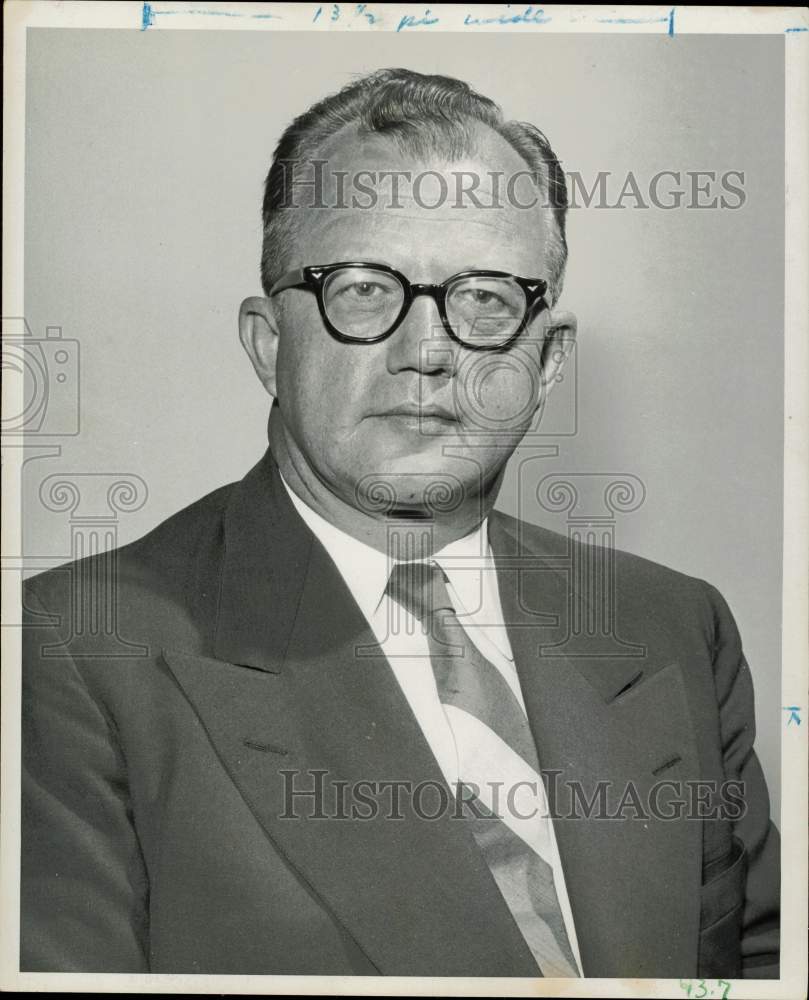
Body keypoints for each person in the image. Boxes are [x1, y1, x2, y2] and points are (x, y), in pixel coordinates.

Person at [21, 68, 779, 979]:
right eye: (364, 289)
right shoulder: (69, 652)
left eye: (486, 298)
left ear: (547, 362)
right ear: (268, 342)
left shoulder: (673, 626)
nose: (426, 352)